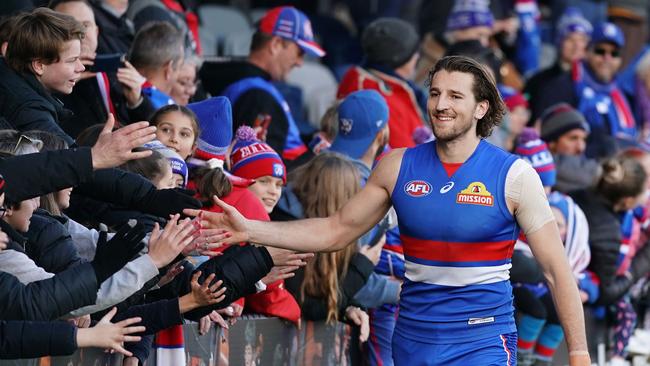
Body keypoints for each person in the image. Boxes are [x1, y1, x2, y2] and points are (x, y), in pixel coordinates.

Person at [187, 55, 591, 365]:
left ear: (482, 108)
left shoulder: (514, 175)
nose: (440, 105)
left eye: (454, 96)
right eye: (434, 93)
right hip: (413, 340)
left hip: (481, 341)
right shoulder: (398, 166)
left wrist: (579, 355)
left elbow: (557, 271)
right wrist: (250, 229)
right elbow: (335, 230)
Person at [200, 6, 324, 161]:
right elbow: (265, 171)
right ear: (276, 44)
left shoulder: (253, 83)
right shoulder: (257, 95)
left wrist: (315, 139)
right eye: (299, 52)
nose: (300, 63)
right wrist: (317, 155)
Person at [50, 0, 156, 138]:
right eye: (69, 27)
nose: (80, 33)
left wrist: (136, 102)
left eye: (85, 25)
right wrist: (63, 80)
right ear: (51, 36)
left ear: (96, 31)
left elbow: (153, 132)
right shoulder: (46, 74)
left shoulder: (113, 67)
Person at [337, 17, 426, 148]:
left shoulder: (359, 74)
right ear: (400, 59)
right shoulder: (376, 98)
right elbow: (405, 157)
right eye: (414, 52)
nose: (417, 57)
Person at [129, 21, 184, 108]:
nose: (179, 74)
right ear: (169, 69)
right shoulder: (166, 113)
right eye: (179, 67)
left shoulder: (111, 88)